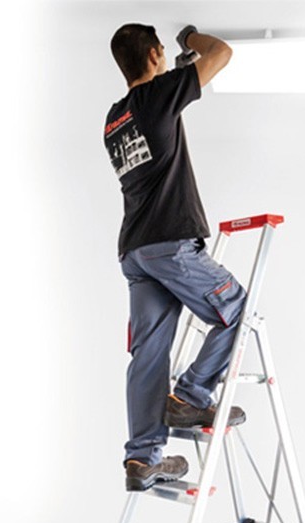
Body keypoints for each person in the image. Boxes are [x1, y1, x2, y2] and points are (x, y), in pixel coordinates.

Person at [105, 24, 248, 492]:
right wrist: (190, 38)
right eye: (163, 52)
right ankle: (190, 396)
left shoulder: (115, 118)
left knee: (148, 354)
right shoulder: (159, 94)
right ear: (153, 54)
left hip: (136, 251)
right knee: (237, 308)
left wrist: (180, 73)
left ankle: (142, 459)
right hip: (169, 242)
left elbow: (160, 126)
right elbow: (220, 53)